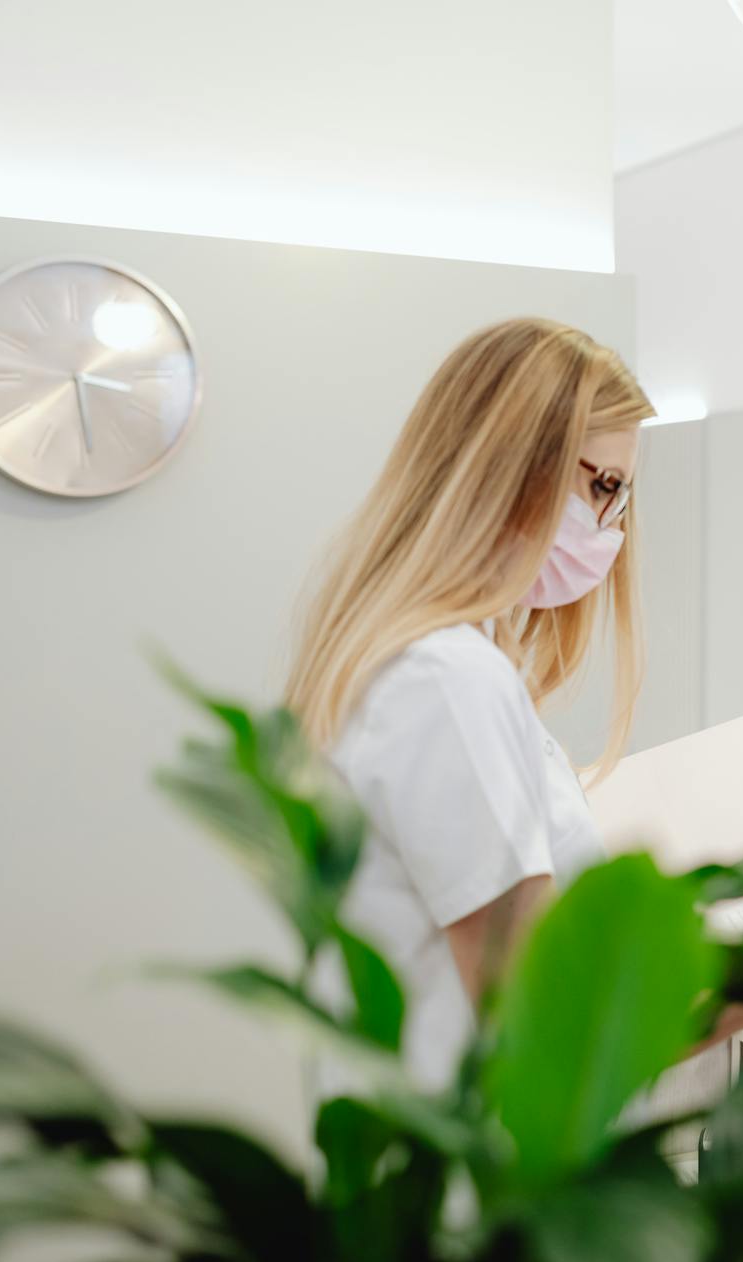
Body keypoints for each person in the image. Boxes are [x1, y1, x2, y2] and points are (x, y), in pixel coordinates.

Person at [285, 317, 654, 1086]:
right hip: (470, 1180)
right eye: (604, 485)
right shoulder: (447, 681)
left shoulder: (430, 663)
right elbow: (546, 1023)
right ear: (514, 467)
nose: (613, 524)